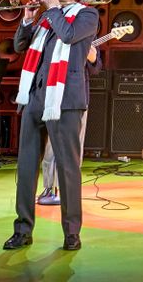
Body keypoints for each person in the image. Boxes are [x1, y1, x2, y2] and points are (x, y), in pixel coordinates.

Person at [2, 0, 99, 252]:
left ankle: (71, 233)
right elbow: (20, 45)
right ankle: (22, 230)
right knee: (26, 166)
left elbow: (68, 36)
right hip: (35, 97)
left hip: (65, 100)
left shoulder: (87, 16)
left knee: (68, 169)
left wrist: (54, 9)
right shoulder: (47, 17)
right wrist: (28, 18)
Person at [38, 44, 101, 206]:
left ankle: (68, 190)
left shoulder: (88, 36)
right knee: (50, 146)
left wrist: (92, 59)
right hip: (54, 95)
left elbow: (96, 69)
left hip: (78, 99)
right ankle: (48, 188)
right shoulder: (57, 35)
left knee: (74, 148)